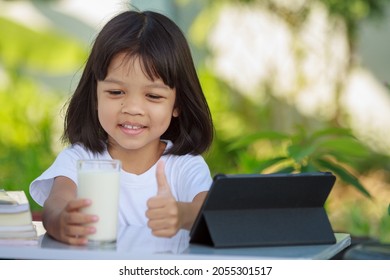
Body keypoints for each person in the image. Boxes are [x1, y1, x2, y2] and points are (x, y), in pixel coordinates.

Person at [29, 10, 214, 245]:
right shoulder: (81, 159)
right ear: (95, 95)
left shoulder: (184, 166)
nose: (133, 108)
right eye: (116, 92)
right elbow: (56, 204)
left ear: (177, 104)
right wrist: (63, 220)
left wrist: (182, 214)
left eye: (153, 96)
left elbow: (206, 210)